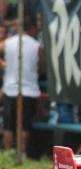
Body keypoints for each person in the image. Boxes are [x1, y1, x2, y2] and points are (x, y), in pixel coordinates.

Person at [2, 14, 43, 151]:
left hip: (10, 89)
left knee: (8, 126)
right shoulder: (37, 46)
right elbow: (42, 66)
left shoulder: (8, 42)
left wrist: (3, 64)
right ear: (32, 28)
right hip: (29, 90)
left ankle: (7, 153)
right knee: (24, 126)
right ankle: (22, 153)